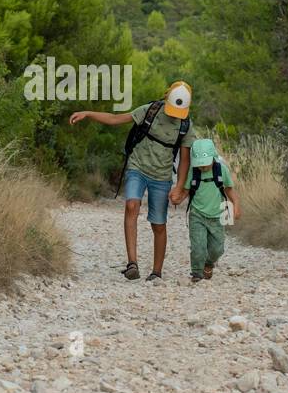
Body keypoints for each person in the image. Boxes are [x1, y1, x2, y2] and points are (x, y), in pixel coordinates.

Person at [69, 81, 196, 281]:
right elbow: (114, 118)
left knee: (159, 224)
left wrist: (179, 187)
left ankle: (156, 272)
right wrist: (88, 113)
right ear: (166, 99)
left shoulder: (185, 125)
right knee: (131, 205)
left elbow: (185, 160)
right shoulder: (150, 110)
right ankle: (132, 264)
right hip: (137, 167)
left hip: (162, 177)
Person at [184, 138, 239, 282]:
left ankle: (208, 263)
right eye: (199, 164)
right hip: (197, 214)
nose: (202, 167)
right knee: (198, 247)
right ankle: (196, 272)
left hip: (218, 215)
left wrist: (236, 206)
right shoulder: (193, 172)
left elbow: (229, 189)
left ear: (213, 156)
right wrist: (176, 197)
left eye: (205, 163)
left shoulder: (222, 170)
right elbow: (185, 190)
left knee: (217, 249)